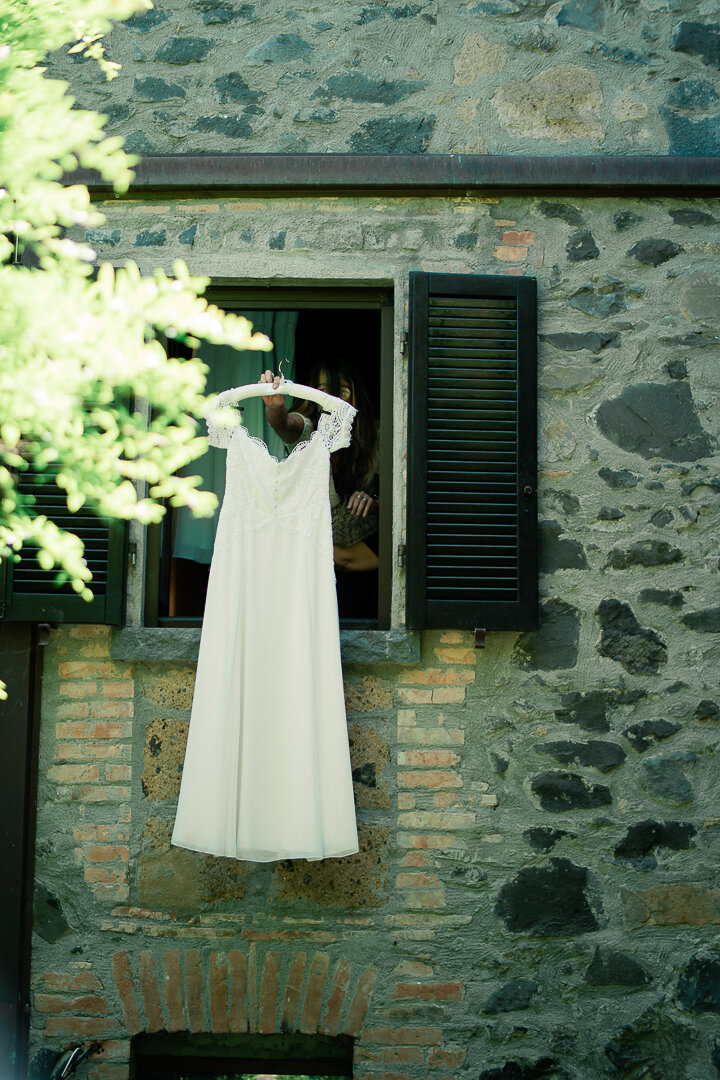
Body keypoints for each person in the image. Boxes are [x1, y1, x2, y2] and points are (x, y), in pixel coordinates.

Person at [260, 363, 380, 581]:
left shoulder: (376, 437)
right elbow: (285, 424)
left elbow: (396, 498)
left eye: (343, 390)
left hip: (363, 556)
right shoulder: (309, 432)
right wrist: (275, 407)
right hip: (310, 560)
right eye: (323, 390)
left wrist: (372, 501)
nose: (333, 398)